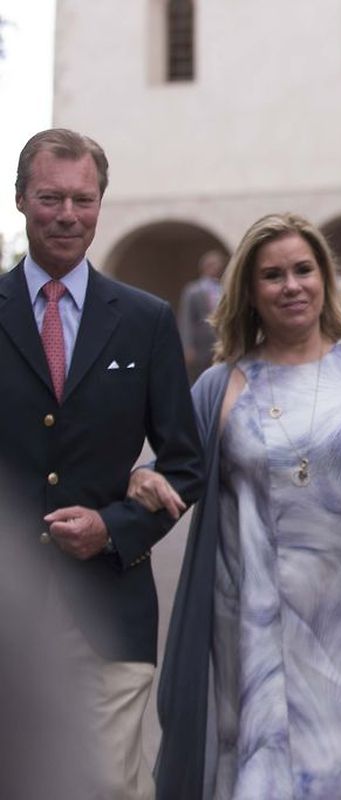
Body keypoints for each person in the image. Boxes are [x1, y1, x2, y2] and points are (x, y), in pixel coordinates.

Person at [135, 212, 341, 799]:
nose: (291, 285)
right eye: (273, 275)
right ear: (249, 293)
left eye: (303, 270)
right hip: (264, 629)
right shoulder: (220, 386)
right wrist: (143, 478)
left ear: (324, 279)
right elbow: (176, 471)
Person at [0, 127, 205, 799]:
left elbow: (186, 462)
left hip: (110, 610)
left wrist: (114, 527)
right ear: (21, 199)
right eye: (50, 197)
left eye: (82, 200)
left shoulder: (145, 320)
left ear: (100, 204)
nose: (67, 214)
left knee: (109, 788)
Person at [178, 248, 226, 382]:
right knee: (200, 376)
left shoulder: (222, 288)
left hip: (219, 340)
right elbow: (186, 318)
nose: (218, 268)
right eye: (214, 265)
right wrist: (187, 346)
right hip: (200, 344)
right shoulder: (193, 290)